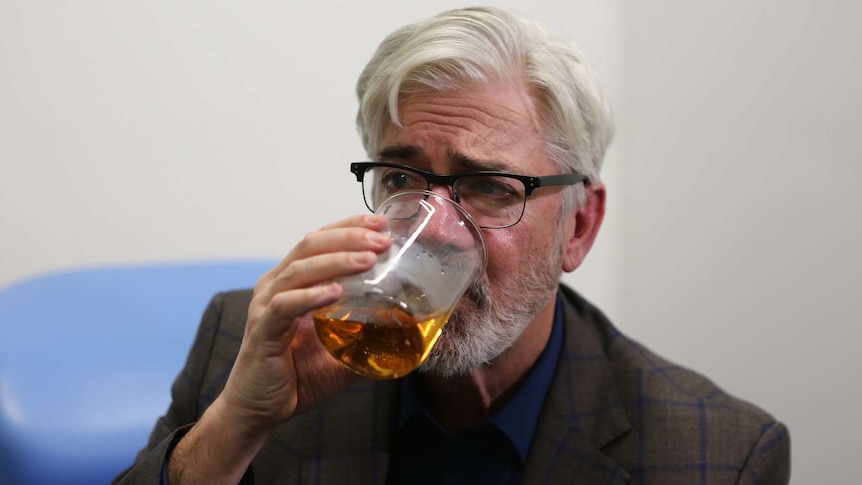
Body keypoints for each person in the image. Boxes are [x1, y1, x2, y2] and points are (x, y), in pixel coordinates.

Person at [113, 6, 790, 484]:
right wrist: (235, 425)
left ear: (578, 227)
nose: (434, 228)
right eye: (403, 178)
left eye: (490, 187)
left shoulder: (714, 455)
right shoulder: (250, 344)